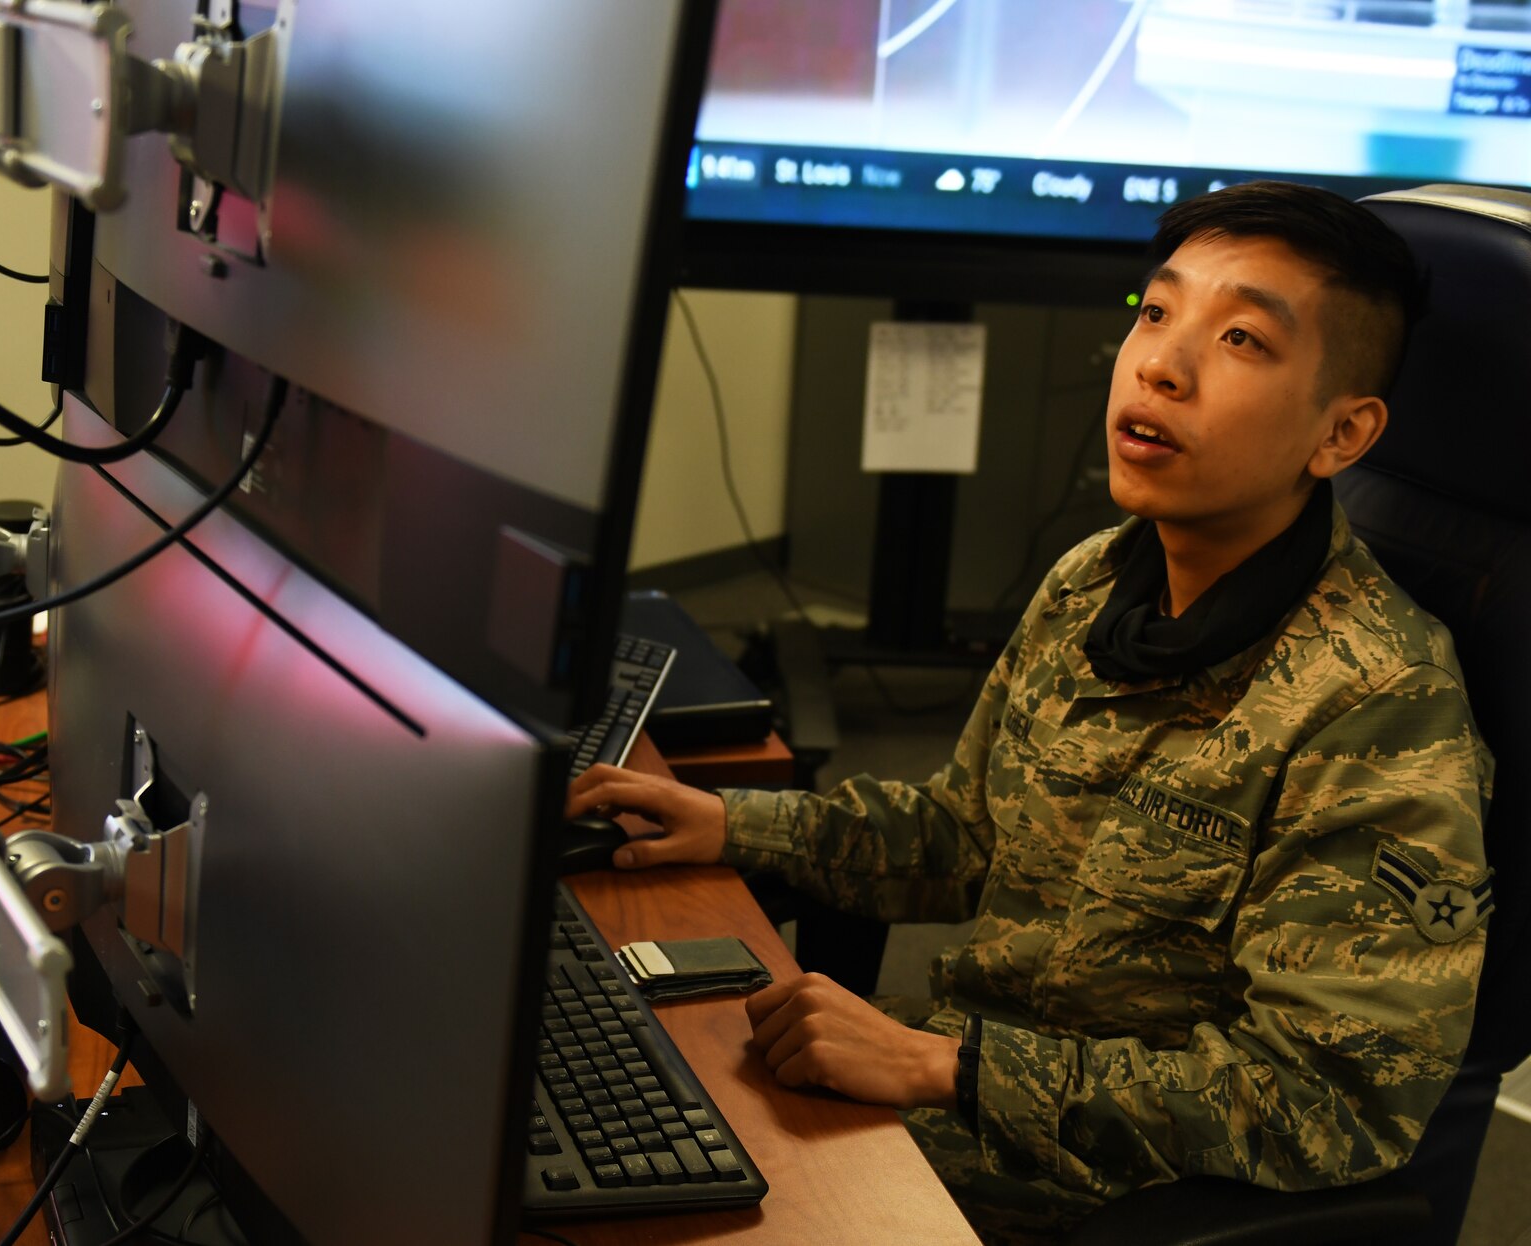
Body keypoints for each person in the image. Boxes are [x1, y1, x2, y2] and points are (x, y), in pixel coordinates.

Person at [568, 181, 1493, 1243]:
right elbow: (963, 834)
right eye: (1154, 312)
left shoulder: (1374, 706)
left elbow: (1330, 1106)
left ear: (1341, 433)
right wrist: (730, 822)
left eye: (1238, 336)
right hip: (936, 1110)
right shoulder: (1095, 581)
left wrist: (941, 1065)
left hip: (1084, 1199)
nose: (1158, 364)